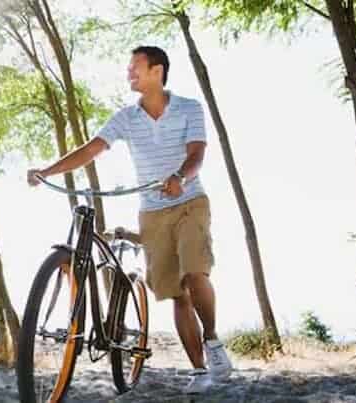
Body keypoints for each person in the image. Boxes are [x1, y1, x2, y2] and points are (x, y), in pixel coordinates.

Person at [27, 46, 232, 394]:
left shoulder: (188, 108)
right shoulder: (126, 117)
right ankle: (199, 370)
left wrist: (180, 176)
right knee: (175, 293)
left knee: (195, 271)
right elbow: (92, 149)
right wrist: (48, 170)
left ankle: (212, 340)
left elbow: (197, 154)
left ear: (157, 70)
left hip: (189, 201)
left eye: (135, 66)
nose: (129, 73)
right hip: (151, 211)